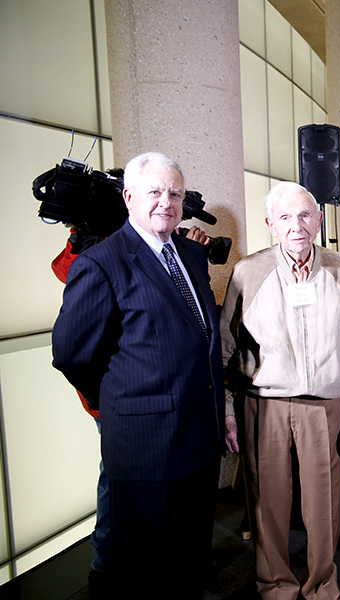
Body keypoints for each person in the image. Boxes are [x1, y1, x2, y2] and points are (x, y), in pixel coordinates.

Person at [51, 152, 226, 599]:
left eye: (174, 193)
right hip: (144, 444)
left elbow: (198, 335)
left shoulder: (189, 253)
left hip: (197, 438)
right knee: (142, 573)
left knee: (188, 561)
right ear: (128, 197)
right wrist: (121, 403)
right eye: (154, 192)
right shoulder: (102, 263)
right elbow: (73, 355)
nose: (166, 202)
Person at [219, 182, 340, 600]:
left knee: (324, 505)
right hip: (264, 405)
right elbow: (224, 348)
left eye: (305, 215)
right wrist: (228, 408)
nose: (297, 226)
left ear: (319, 220)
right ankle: (275, 585)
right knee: (267, 504)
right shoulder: (248, 272)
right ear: (271, 224)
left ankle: (322, 585)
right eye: (285, 218)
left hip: (326, 404)